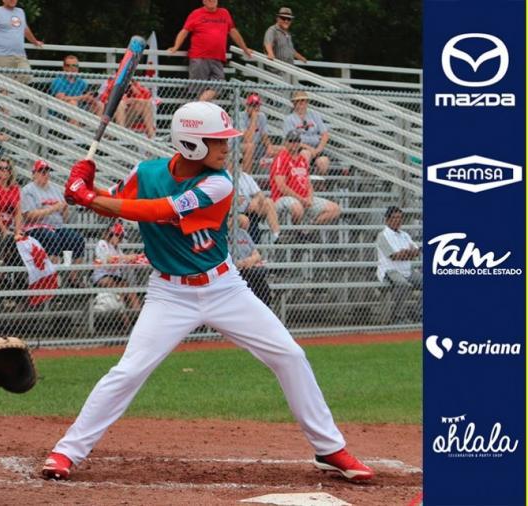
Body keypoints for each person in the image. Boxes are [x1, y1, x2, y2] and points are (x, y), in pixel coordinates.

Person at [43, 101, 373, 483]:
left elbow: (160, 210)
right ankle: (67, 451)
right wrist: (82, 189)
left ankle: (329, 448)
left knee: (289, 354)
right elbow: (116, 206)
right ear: (191, 144)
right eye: (217, 142)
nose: (226, 148)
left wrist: (89, 195)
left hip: (223, 287)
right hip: (169, 294)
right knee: (129, 370)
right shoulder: (146, 172)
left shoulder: (219, 184)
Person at [167, 0, 253, 102]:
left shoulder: (224, 13)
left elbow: (233, 32)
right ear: (203, 1)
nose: (211, 1)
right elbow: (184, 31)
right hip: (199, 57)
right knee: (198, 89)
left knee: (219, 85)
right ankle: (196, 112)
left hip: (218, 57)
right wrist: (176, 46)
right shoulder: (196, 13)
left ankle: (199, 105)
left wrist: (245, 48)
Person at [269, 131, 340, 227]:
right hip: (283, 198)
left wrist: (309, 198)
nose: (294, 144)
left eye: (297, 141)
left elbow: (308, 183)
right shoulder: (281, 158)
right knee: (297, 208)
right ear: (285, 143)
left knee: (335, 209)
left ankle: (308, 230)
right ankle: (296, 232)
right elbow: (281, 186)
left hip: (304, 198)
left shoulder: (302, 159)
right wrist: (301, 200)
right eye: (291, 141)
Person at [21, 159, 84, 263]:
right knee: (52, 238)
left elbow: (66, 219)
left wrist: (64, 209)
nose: (45, 174)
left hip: (57, 228)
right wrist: (52, 209)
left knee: (77, 239)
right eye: (42, 171)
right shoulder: (28, 190)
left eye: (47, 171)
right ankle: (51, 276)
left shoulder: (55, 190)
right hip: (36, 228)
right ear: (34, 174)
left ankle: (73, 277)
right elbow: (29, 216)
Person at [375, 206, 421, 321]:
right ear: (387, 219)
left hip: (407, 270)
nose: (397, 220)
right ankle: (398, 316)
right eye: (394, 217)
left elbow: (416, 252)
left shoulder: (405, 235)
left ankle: (420, 314)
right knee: (402, 284)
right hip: (390, 270)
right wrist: (407, 253)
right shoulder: (383, 235)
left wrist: (405, 253)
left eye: (400, 217)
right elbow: (394, 256)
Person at [91, 222, 141, 311]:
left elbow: (123, 262)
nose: (120, 239)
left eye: (121, 236)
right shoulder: (102, 243)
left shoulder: (117, 248)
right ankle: (122, 315)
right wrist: (126, 257)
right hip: (102, 276)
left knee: (129, 289)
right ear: (111, 234)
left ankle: (137, 314)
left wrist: (133, 259)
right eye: (118, 236)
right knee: (114, 286)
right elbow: (109, 259)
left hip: (115, 277)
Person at [283, 91, 330, 176]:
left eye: (303, 100)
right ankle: (304, 182)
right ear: (293, 103)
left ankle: (320, 185)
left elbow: (325, 135)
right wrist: (309, 148)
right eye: (298, 101)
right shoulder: (289, 119)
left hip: (316, 149)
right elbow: (289, 141)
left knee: (323, 161)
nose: (301, 103)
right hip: (298, 148)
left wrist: (318, 149)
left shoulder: (315, 115)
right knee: (305, 154)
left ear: (307, 102)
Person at [229, 222, 271, 305]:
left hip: (250, 269)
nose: (229, 220)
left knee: (263, 288)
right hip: (235, 272)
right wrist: (241, 263)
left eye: (230, 217)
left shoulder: (242, 233)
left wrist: (250, 260)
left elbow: (257, 254)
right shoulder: (220, 236)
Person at [235, 169, 281, 244]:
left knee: (268, 202)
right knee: (244, 220)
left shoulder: (245, 177)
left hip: (250, 210)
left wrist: (255, 200)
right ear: (229, 162)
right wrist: (234, 201)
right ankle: (243, 246)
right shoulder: (224, 177)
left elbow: (260, 194)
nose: (239, 164)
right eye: (237, 161)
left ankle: (276, 237)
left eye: (241, 161)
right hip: (233, 212)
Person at [237, 93, 278, 173]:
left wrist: (269, 146)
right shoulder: (240, 116)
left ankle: (276, 178)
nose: (255, 108)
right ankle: (247, 177)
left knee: (283, 149)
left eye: (257, 106)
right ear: (247, 106)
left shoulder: (262, 116)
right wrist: (254, 119)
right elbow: (248, 139)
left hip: (258, 147)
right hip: (240, 146)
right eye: (252, 105)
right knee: (250, 146)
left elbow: (264, 136)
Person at [0, 156, 24, 240]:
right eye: (0, 168)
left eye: (7, 168)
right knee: (9, 240)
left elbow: (18, 212)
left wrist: (17, 231)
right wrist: (5, 231)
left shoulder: (14, 188)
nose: (4, 170)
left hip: (10, 225)